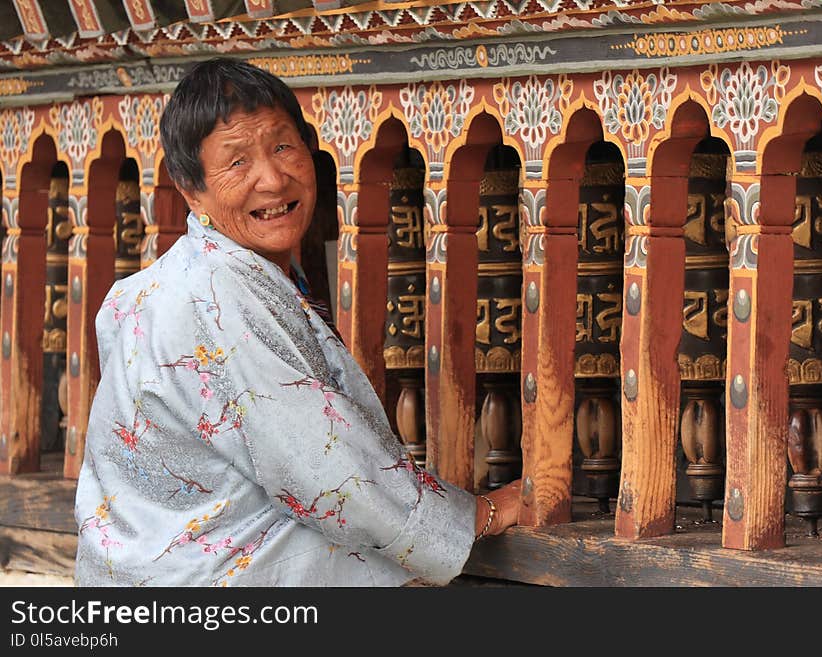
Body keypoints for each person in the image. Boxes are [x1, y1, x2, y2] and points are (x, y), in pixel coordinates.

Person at [74, 58, 521, 587]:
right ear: (191, 189)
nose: (273, 178)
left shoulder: (157, 287)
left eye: (283, 146)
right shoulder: (217, 295)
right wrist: (479, 517)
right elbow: (325, 470)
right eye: (237, 162)